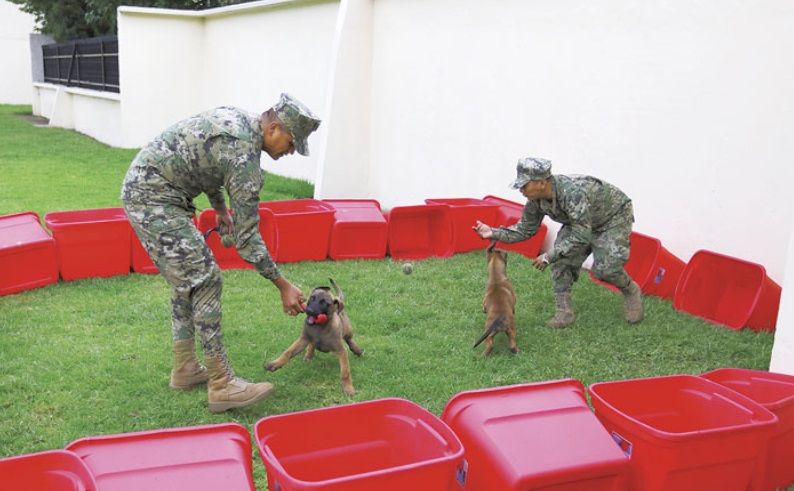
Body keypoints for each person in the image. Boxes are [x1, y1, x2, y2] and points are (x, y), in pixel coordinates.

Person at [121, 93, 321, 413]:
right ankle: (222, 383)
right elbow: (247, 238)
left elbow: (207, 163)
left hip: (148, 191)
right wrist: (282, 284)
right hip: (154, 200)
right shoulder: (245, 157)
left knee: (187, 280)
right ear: (273, 128)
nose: (292, 151)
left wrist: (219, 209)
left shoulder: (237, 120)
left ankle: (185, 368)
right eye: (292, 141)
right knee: (205, 278)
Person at [474, 157, 643, 329]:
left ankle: (631, 290)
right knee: (561, 262)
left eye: (525, 185)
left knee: (605, 269)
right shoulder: (535, 201)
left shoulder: (573, 193)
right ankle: (565, 313)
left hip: (611, 219)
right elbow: (526, 229)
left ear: (541, 183)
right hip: (579, 223)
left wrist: (549, 255)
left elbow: (582, 236)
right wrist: (493, 232)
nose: (521, 190)